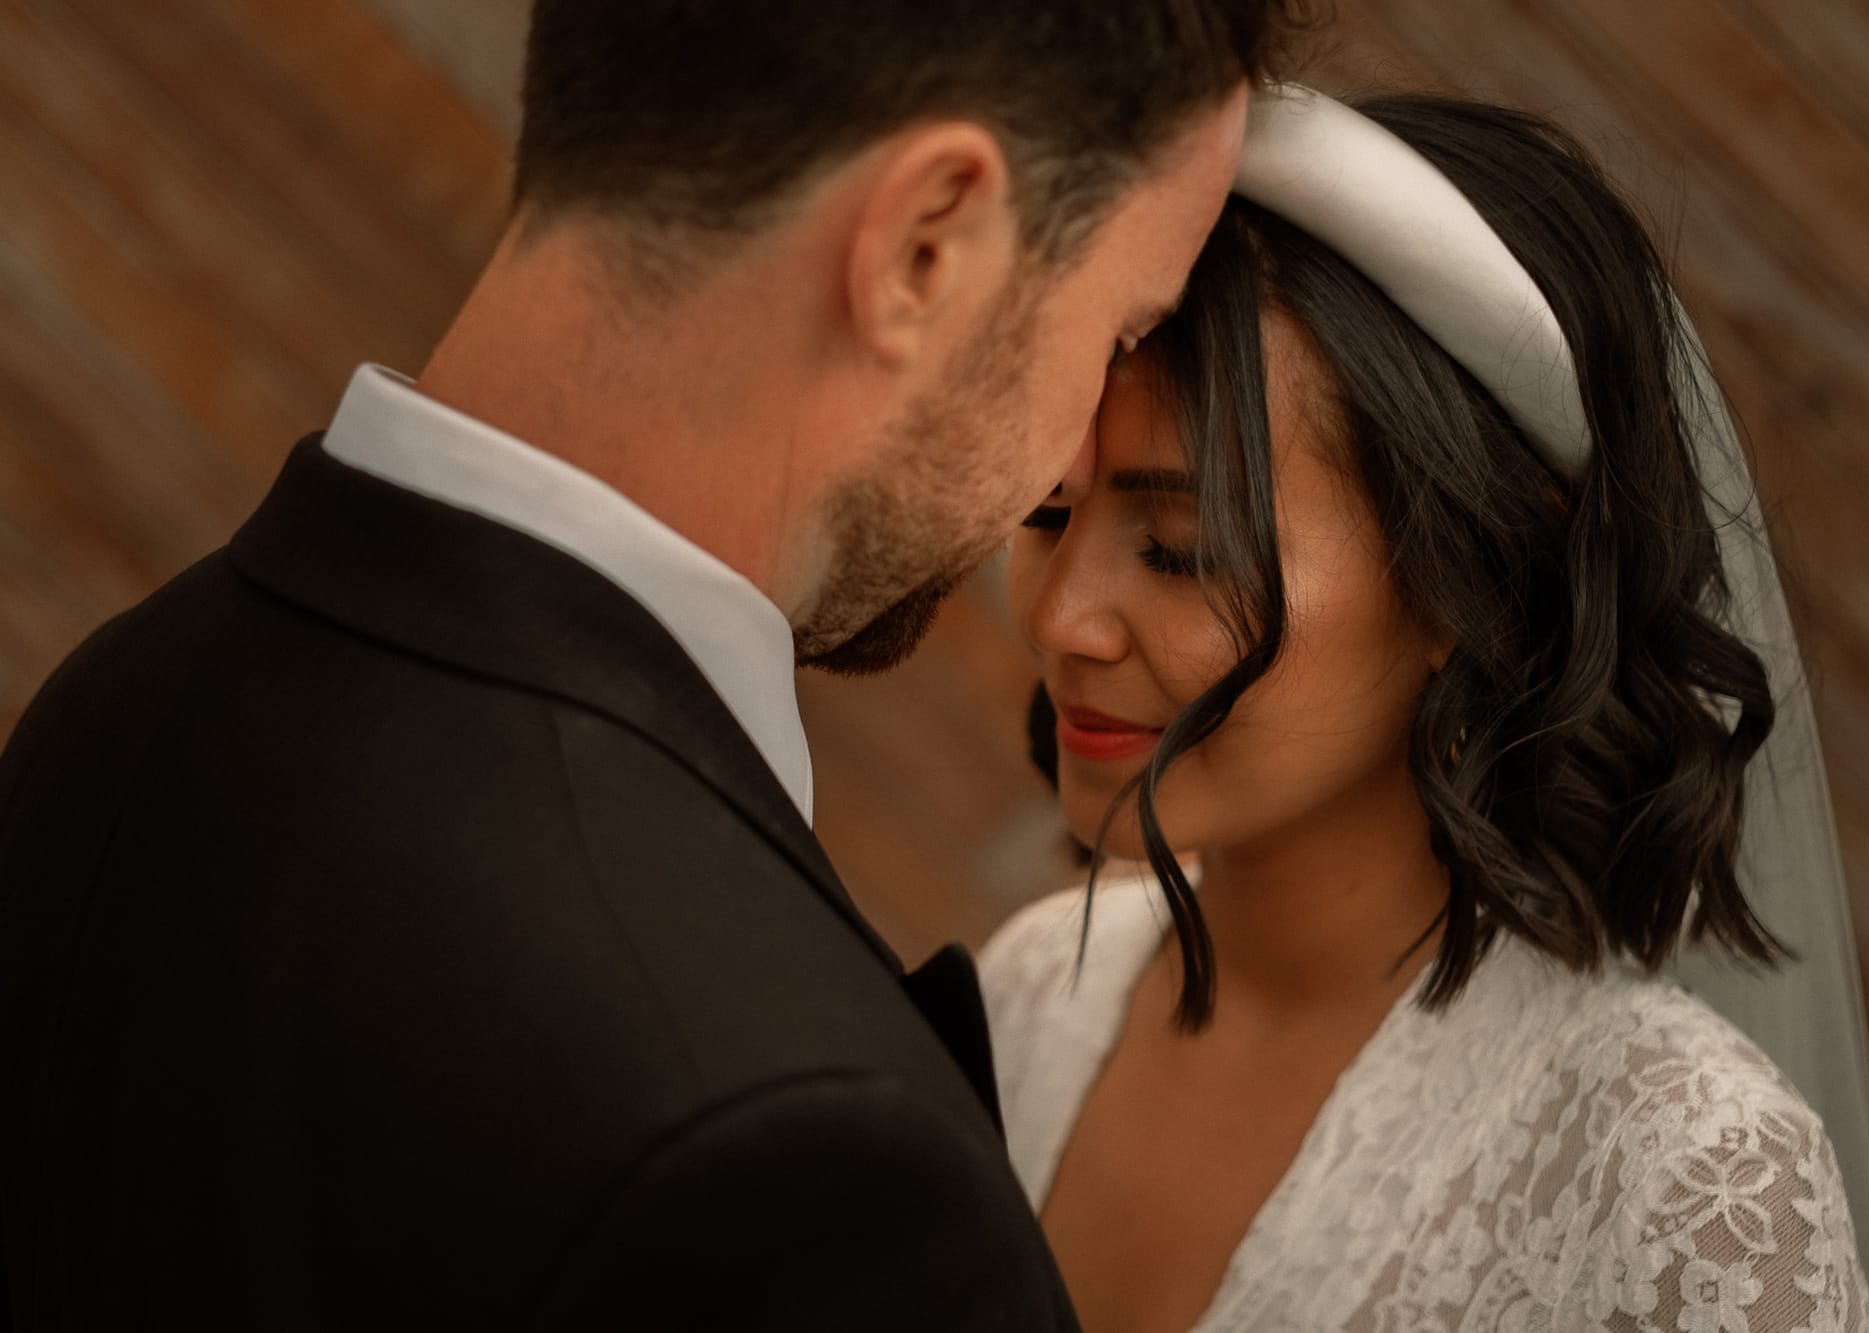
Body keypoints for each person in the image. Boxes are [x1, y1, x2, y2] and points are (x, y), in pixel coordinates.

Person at [0, 3, 1301, 1326]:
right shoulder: (800, 1164)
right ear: (925, 244)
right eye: (1122, 332)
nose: (1077, 465)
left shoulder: (116, 706)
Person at [985, 86, 1869, 1331]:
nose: (1059, 619)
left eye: (1179, 548)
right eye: (1046, 514)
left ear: (1465, 582)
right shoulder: (1034, 992)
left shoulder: (1680, 1181)